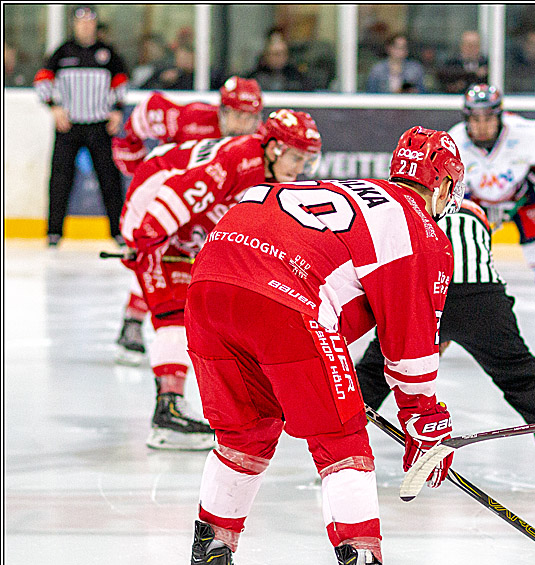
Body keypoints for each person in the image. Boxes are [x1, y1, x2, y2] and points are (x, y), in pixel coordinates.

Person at [179, 126, 464, 565]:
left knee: (244, 435)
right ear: (443, 186)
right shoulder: (418, 228)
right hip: (285, 298)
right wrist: (426, 423)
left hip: (209, 282)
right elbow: (410, 348)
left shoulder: (352, 190)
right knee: (341, 439)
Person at [118, 108, 322, 451]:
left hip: (177, 225)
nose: (301, 168)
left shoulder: (265, 173)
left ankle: (173, 407)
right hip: (149, 210)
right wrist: (148, 241)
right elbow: (177, 193)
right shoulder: (238, 159)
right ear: (273, 148)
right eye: (296, 157)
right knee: (173, 312)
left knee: (198, 308)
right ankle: (167, 411)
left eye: (306, 159)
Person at [355, 199, 535, 480]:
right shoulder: (477, 216)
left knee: (374, 374)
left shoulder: (416, 210)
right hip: (482, 298)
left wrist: (430, 332)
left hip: (424, 293)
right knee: (522, 379)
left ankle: (342, 447)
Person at [110, 76, 264, 365]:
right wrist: (133, 157)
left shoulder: (261, 143)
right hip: (170, 199)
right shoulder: (190, 119)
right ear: (221, 111)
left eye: (250, 116)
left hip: (209, 209)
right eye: (235, 114)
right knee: (154, 254)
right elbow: (145, 113)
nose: (242, 123)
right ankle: (133, 319)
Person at [449, 84, 535, 351]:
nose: (481, 126)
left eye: (488, 118)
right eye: (475, 119)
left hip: (524, 198)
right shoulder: (453, 142)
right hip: (478, 202)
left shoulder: (528, 133)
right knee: (456, 261)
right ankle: (446, 323)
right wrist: (469, 204)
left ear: (500, 116)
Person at [33, 5, 128, 248]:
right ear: (74, 25)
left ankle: (117, 232)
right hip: (69, 127)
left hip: (99, 126)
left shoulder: (107, 53)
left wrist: (117, 110)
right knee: (60, 179)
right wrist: (53, 106)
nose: (85, 26)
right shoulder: (62, 52)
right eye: (81, 22)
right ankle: (54, 232)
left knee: (110, 179)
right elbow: (42, 79)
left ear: (95, 24)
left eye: (90, 22)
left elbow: (121, 82)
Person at [437, 30, 488, 94]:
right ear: (462, 46)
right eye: (469, 45)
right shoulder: (452, 63)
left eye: (475, 45)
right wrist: (474, 73)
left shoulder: (486, 64)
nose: (471, 49)